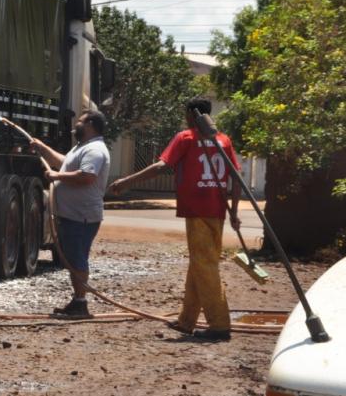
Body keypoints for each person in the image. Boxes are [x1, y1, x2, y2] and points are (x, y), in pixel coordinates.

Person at [109, 98, 241, 342]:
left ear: (192, 115)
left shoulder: (186, 138)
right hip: (217, 212)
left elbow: (161, 166)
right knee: (200, 264)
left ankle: (220, 324)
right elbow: (236, 178)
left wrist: (127, 181)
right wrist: (233, 212)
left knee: (205, 266)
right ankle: (187, 320)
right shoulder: (223, 140)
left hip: (197, 210)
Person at [30, 110, 111, 319]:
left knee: (77, 259)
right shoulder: (83, 147)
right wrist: (43, 148)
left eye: (81, 122)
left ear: (91, 125)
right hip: (74, 214)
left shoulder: (95, 150)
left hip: (82, 216)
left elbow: (87, 177)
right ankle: (77, 301)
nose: (76, 125)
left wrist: (57, 176)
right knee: (74, 259)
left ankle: (81, 303)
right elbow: (65, 162)